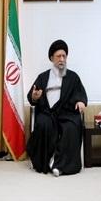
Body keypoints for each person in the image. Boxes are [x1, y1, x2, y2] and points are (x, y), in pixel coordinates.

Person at [27, 40, 87, 176]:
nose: (62, 59)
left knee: (71, 127)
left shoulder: (73, 77)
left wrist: (81, 101)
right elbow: (32, 96)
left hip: (66, 113)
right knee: (43, 124)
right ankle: (46, 161)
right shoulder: (43, 77)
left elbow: (80, 93)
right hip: (48, 113)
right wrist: (35, 97)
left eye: (64, 56)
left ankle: (60, 165)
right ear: (51, 58)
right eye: (58, 56)